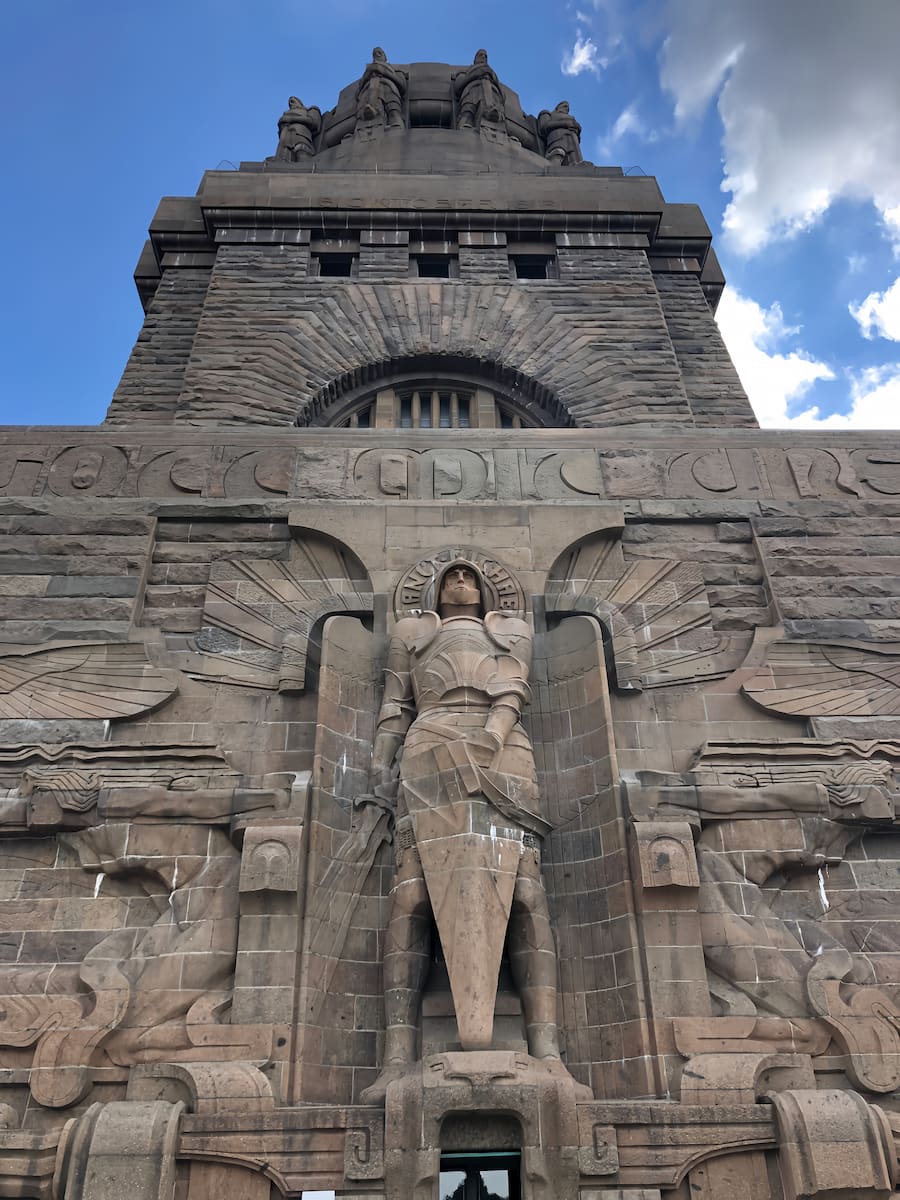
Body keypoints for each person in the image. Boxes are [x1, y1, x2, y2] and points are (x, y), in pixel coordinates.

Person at [361, 561, 561, 1099]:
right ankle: (396, 1058)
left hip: (504, 750)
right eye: (451, 577)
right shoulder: (411, 633)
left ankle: (550, 1054)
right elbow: (394, 704)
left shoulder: (512, 631)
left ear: (486, 588)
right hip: (427, 747)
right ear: (435, 587)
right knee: (411, 897)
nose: (460, 583)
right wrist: (381, 769)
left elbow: (513, 691)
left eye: (470, 577)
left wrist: (491, 738)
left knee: (526, 892)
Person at [356, 47, 406, 130]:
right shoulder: (368, 72)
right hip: (368, 92)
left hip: (388, 88)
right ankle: (359, 130)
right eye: (375, 53)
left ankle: (396, 125)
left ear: (385, 57)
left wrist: (383, 71)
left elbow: (402, 84)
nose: (377, 54)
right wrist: (368, 73)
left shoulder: (394, 70)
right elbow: (357, 92)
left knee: (393, 108)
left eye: (380, 52)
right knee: (362, 112)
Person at [454, 49, 505, 131]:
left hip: (492, 96)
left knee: (497, 116)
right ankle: (464, 128)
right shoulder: (466, 70)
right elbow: (458, 86)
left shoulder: (492, 73)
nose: (483, 57)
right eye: (480, 55)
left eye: (485, 56)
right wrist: (478, 72)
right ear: (475, 59)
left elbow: (503, 95)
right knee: (468, 112)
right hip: (472, 92)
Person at [538, 101, 583, 165]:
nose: (567, 109)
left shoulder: (572, 118)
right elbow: (544, 126)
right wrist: (565, 124)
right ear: (558, 107)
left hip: (573, 142)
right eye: (565, 106)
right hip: (557, 139)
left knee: (574, 162)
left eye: (568, 108)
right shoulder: (549, 114)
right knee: (557, 155)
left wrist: (577, 129)